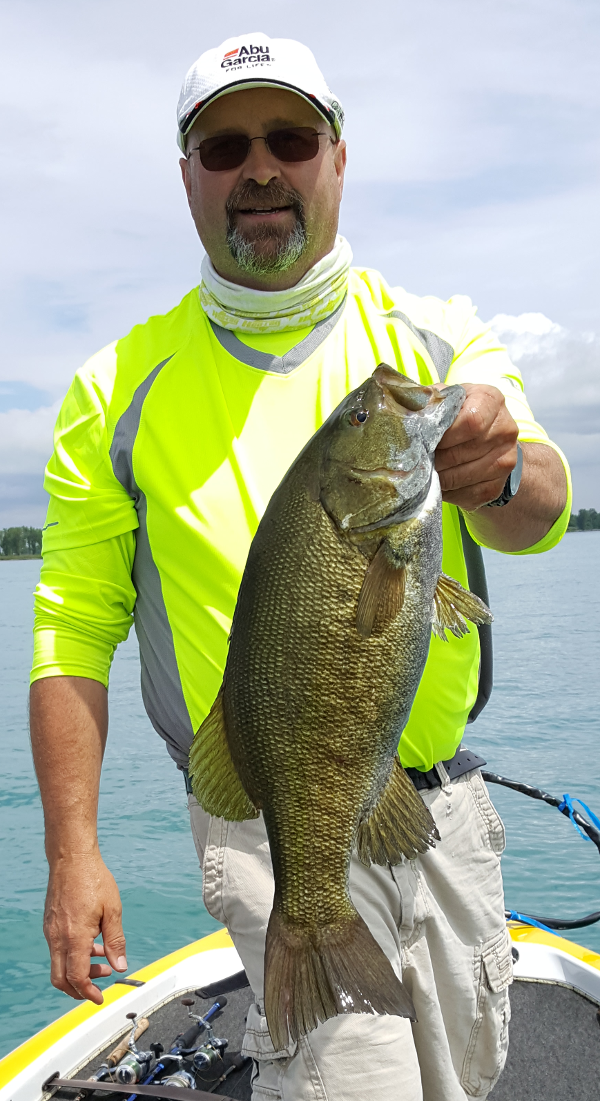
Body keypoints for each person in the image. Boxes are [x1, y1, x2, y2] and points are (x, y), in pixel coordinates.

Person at [30, 32, 570, 1101]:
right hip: (265, 819)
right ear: (188, 174)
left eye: (289, 137)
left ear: (337, 155)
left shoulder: (436, 338)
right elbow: (72, 627)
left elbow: (541, 511)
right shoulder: (116, 386)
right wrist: (73, 854)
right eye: (224, 148)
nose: (259, 169)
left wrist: (500, 472)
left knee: (470, 1076)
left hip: (443, 816)